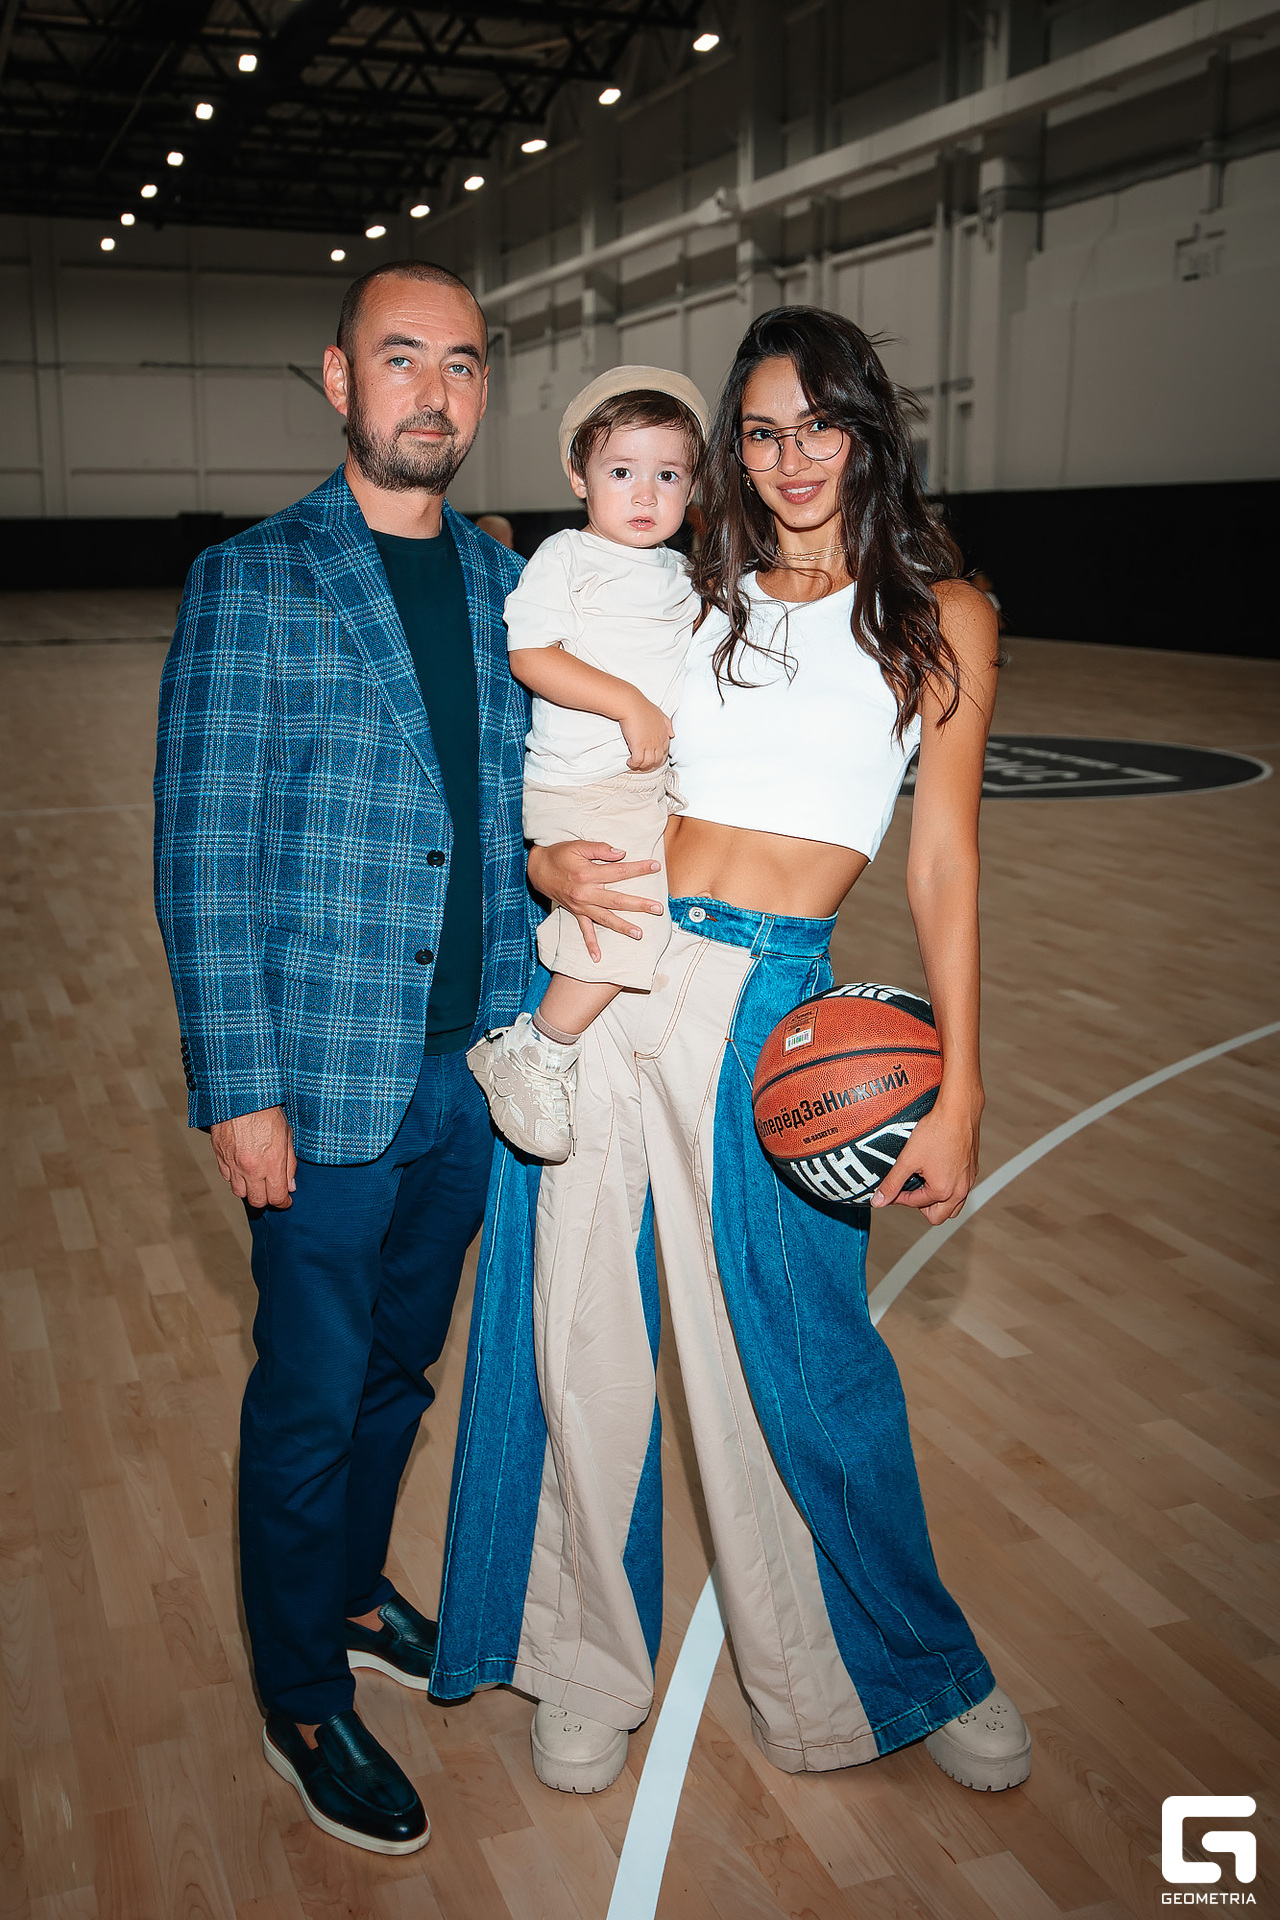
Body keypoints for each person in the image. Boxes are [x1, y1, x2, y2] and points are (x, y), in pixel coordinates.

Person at [431, 306, 1031, 1801]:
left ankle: (897, 1668)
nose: (791, 458)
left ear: (865, 431)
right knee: (577, 1332)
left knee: (804, 1358)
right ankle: (584, 1664)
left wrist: (962, 1084)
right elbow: (575, 744)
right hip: (610, 962)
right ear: (733, 458)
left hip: (773, 1006)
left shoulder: (941, 614)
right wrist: (549, 867)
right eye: (761, 434)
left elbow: (943, 862)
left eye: (818, 426)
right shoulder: (692, 595)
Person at [154, 261, 656, 1854]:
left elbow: (515, 809)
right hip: (320, 1079)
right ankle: (303, 1695)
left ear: (485, 389)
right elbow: (206, 853)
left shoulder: (517, 584)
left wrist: (560, 871)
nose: (432, 392)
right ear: (339, 378)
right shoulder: (255, 580)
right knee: (311, 1393)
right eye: (400, 359)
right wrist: (240, 1087)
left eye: (461, 364)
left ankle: (355, 1589)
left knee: (399, 1373)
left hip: (474, 1073)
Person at [467, 367, 707, 1162]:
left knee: (629, 929)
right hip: (583, 783)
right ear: (579, 477)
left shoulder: (682, 576)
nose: (645, 493)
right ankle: (537, 1049)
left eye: (667, 475)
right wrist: (627, 703)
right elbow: (531, 655)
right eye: (621, 471)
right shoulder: (566, 557)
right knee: (634, 925)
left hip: (645, 786)